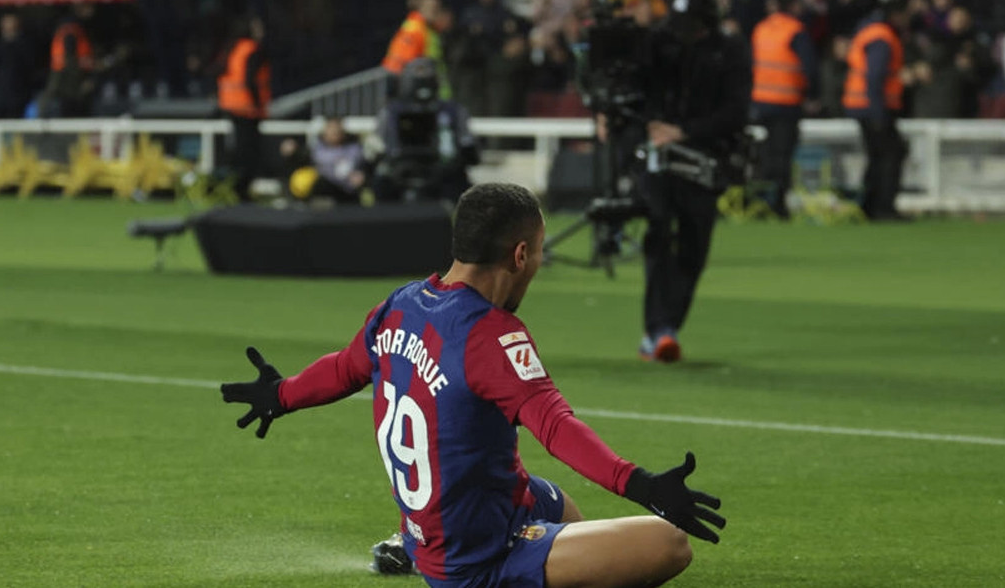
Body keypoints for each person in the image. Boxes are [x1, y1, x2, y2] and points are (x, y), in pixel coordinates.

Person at [221, 182, 725, 587]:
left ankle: (413, 546)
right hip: (475, 557)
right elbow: (555, 426)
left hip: (441, 526)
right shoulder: (491, 335)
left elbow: (344, 368)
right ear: (521, 254)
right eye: (542, 252)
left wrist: (281, 394)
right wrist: (641, 485)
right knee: (668, 543)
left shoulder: (399, 305)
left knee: (565, 510)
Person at [600, 0, 752, 363]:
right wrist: (618, 113)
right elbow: (631, 84)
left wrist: (684, 132)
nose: (684, 33)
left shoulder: (731, 51)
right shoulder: (659, 43)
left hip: (704, 159)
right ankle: (659, 331)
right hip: (659, 159)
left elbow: (735, 111)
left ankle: (665, 328)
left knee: (693, 248)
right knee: (659, 228)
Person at [750, 0, 820, 219]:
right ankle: (777, 203)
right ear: (793, 6)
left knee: (765, 152)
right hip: (786, 101)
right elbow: (809, 67)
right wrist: (813, 95)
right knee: (782, 153)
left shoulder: (761, 28)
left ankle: (759, 200)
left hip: (760, 102)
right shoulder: (795, 30)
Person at [372, 57, 478, 203]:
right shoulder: (391, 112)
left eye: (427, 73)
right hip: (400, 170)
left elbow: (468, 146)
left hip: (443, 171)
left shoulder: (452, 111)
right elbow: (377, 145)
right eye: (418, 73)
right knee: (381, 183)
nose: (423, 78)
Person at [842, 0, 908, 221]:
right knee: (890, 154)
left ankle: (869, 205)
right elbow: (875, 76)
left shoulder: (868, 32)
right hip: (873, 106)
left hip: (862, 104)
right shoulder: (882, 37)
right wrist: (879, 112)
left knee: (878, 155)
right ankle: (883, 207)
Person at [217, 16, 271, 202]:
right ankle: (241, 191)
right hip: (247, 109)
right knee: (249, 153)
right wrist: (257, 104)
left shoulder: (234, 47)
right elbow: (250, 80)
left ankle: (236, 189)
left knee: (240, 150)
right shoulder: (252, 50)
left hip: (232, 107)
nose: (261, 32)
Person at [280, 116, 369, 204]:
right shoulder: (316, 150)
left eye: (337, 129)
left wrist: (362, 177)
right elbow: (300, 159)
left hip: (347, 193)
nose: (335, 131)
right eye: (331, 128)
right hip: (322, 191)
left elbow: (367, 167)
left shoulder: (355, 149)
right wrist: (292, 153)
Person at [382, 0, 444, 97]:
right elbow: (404, 61)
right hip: (412, 85)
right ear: (421, 8)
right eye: (432, 8)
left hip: (428, 82)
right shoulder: (414, 29)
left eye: (438, 8)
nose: (436, 12)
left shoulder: (430, 29)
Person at [0, 14, 37, 119]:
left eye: (11, 22)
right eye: (6, 22)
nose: (9, 26)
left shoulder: (25, 44)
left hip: (19, 95)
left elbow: (30, 68)